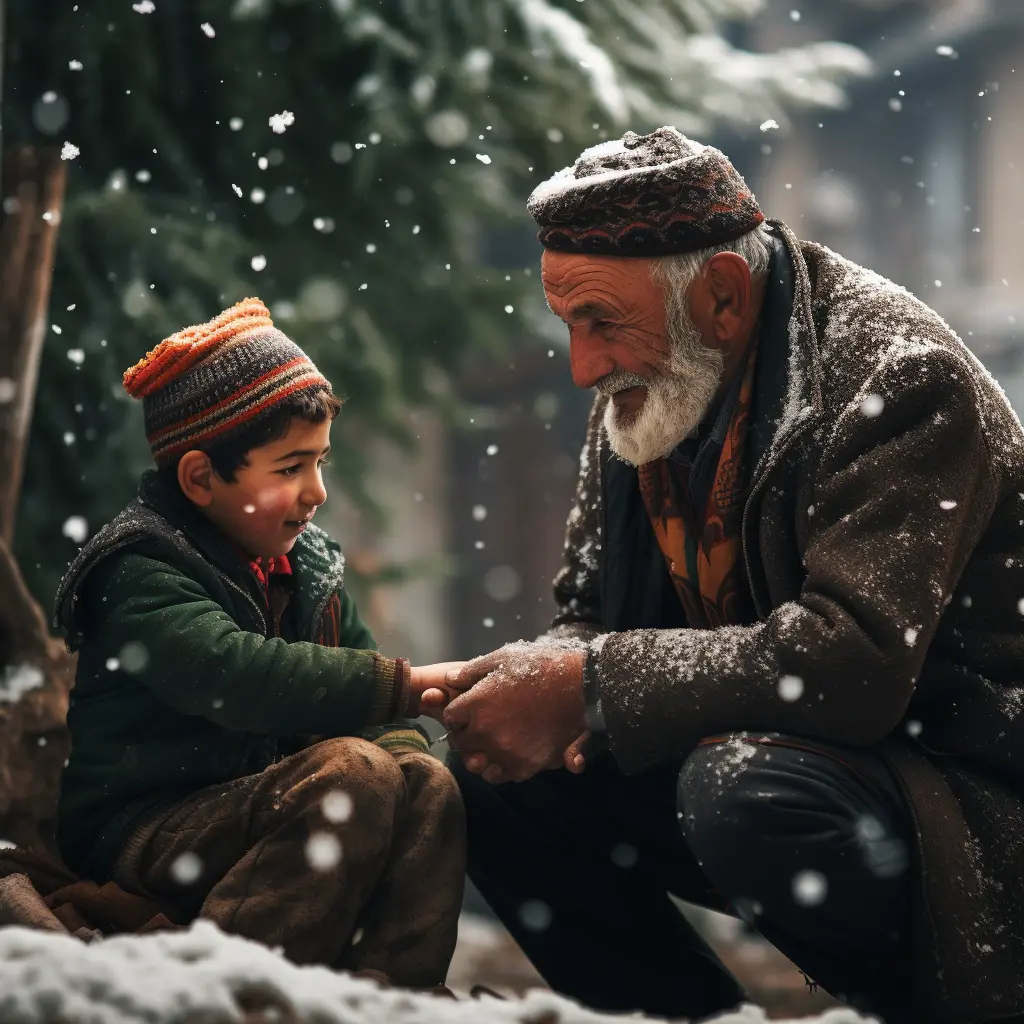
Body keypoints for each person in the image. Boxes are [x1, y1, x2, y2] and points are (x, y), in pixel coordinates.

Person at [443, 127, 1024, 1023]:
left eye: (602, 323)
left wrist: (588, 684)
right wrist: (531, 689)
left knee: (745, 793)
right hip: (792, 751)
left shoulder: (903, 381)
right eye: (570, 326)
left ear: (721, 295)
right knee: (495, 775)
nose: (582, 365)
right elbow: (590, 617)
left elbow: (854, 666)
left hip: (969, 804)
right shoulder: (652, 387)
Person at [53, 298, 464, 987]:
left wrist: (402, 752)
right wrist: (404, 684)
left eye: (321, 462)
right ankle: (235, 996)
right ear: (200, 479)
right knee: (351, 777)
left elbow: (371, 700)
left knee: (426, 782)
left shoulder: (309, 567)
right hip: (147, 822)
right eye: (290, 467)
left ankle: (396, 995)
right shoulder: (139, 569)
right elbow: (236, 676)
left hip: (254, 806)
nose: (318, 491)